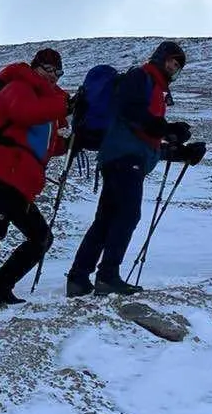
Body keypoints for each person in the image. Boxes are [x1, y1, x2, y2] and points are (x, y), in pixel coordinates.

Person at [65, 40, 199, 297]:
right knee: (127, 214)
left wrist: (179, 150)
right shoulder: (141, 76)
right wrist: (168, 129)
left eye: (178, 64)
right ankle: (107, 275)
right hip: (125, 157)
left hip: (119, 156)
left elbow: (144, 132)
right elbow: (133, 114)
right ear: (161, 58)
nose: (174, 66)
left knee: (106, 219)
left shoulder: (153, 86)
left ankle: (79, 277)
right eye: (172, 60)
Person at [0, 48, 71, 312]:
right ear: (35, 68)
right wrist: (64, 105)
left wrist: (74, 141)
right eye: (47, 69)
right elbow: (23, 113)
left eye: (57, 71)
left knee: (40, 237)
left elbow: (46, 144)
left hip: (22, 179)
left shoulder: (45, 105)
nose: (53, 76)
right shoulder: (18, 85)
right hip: (3, 170)